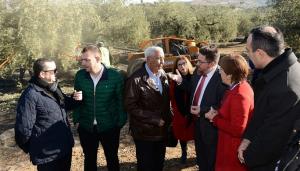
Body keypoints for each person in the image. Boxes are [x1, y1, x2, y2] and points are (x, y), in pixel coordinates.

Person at [238, 26, 300, 171]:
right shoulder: (279, 70)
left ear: (259, 53)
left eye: (248, 50)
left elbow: (272, 138)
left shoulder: (284, 87)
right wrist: (247, 138)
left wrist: (248, 156)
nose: (248, 55)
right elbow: (262, 113)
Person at [15, 58, 82, 171]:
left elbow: (65, 105)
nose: (56, 73)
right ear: (42, 74)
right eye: (53, 70)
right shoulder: (30, 96)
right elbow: (23, 130)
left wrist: (76, 100)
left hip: (64, 148)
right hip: (47, 156)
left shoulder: (54, 88)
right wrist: (35, 148)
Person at [169, 45, 227, 171]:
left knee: (211, 160)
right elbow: (193, 89)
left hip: (211, 129)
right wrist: (180, 81)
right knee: (201, 159)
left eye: (200, 61)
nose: (197, 64)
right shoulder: (198, 72)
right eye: (197, 60)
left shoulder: (222, 78)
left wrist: (203, 110)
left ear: (211, 63)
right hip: (197, 125)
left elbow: (223, 105)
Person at [73, 45, 127, 171]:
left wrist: (120, 122)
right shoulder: (80, 76)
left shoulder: (114, 76)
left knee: (112, 158)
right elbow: (77, 100)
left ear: (98, 58)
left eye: (86, 60)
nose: (83, 63)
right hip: (86, 126)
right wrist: (77, 119)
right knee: (89, 159)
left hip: (109, 126)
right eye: (82, 60)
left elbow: (121, 101)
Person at [125, 46, 172, 171]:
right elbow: (130, 106)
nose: (162, 62)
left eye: (163, 58)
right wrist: (154, 119)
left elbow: (165, 101)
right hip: (144, 133)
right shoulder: (135, 80)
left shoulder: (163, 75)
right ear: (148, 59)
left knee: (159, 164)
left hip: (161, 132)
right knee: (146, 166)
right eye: (158, 58)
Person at [205, 54, 254, 171]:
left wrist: (215, 119)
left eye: (221, 70)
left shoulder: (239, 94)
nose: (219, 72)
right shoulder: (237, 88)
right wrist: (217, 113)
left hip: (232, 149)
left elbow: (238, 128)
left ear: (230, 75)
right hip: (228, 144)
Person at [169, 56, 195, 164]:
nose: (182, 66)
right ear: (176, 67)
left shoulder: (195, 77)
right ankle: (184, 152)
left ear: (188, 64)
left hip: (193, 112)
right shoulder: (174, 80)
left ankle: (199, 154)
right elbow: (171, 95)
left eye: (184, 63)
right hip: (179, 112)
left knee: (195, 134)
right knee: (182, 134)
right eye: (179, 64)